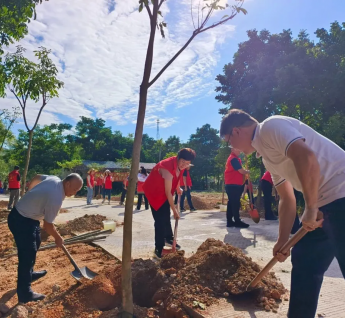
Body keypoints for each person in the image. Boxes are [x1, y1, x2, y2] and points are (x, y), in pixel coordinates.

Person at [220, 109, 345, 318]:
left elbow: (306, 157)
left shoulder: (270, 127)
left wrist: (311, 208)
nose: (233, 148)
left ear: (236, 131)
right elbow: (287, 199)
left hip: (341, 194)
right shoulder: (268, 158)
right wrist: (282, 240)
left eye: (229, 142)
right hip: (325, 205)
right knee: (305, 260)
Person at [7, 173, 83, 303]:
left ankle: (29, 274)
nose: (75, 193)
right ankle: (25, 293)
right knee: (27, 255)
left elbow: (36, 176)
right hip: (21, 221)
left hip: (29, 219)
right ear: (68, 183)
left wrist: (31, 192)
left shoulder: (55, 179)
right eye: (75, 189)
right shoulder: (56, 198)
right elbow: (48, 226)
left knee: (35, 242)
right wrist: (58, 238)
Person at [143, 148, 196, 258]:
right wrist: (175, 210)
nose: (184, 165)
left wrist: (177, 188)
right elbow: (168, 193)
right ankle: (159, 248)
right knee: (160, 220)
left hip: (164, 190)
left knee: (166, 216)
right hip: (154, 192)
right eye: (183, 162)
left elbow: (176, 176)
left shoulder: (181, 166)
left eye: (187, 163)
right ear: (178, 158)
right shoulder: (166, 167)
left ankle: (168, 238)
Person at [224, 148, 250, 228]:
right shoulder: (233, 159)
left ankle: (230, 221)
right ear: (233, 150)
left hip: (232, 184)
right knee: (235, 203)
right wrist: (247, 171)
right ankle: (237, 221)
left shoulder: (234, 158)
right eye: (238, 149)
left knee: (231, 203)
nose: (240, 151)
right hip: (233, 184)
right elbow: (241, 171)